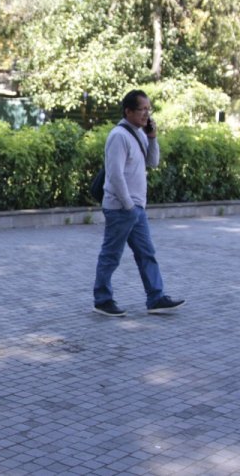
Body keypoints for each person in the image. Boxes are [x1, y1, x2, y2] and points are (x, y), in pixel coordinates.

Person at [93, 90, 184, 317]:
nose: (147, 114)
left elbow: (153, 162)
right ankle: (102, 299)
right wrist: (128, 206)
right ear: (128, 111)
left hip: (136, 209)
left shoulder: (140, 134)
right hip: (121, 208)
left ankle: (156, 298)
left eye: (148, 109)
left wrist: (152, 138)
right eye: (142, 109)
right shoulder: (118, 136)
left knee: (147, 253)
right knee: (111, 255)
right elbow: (115, 175)